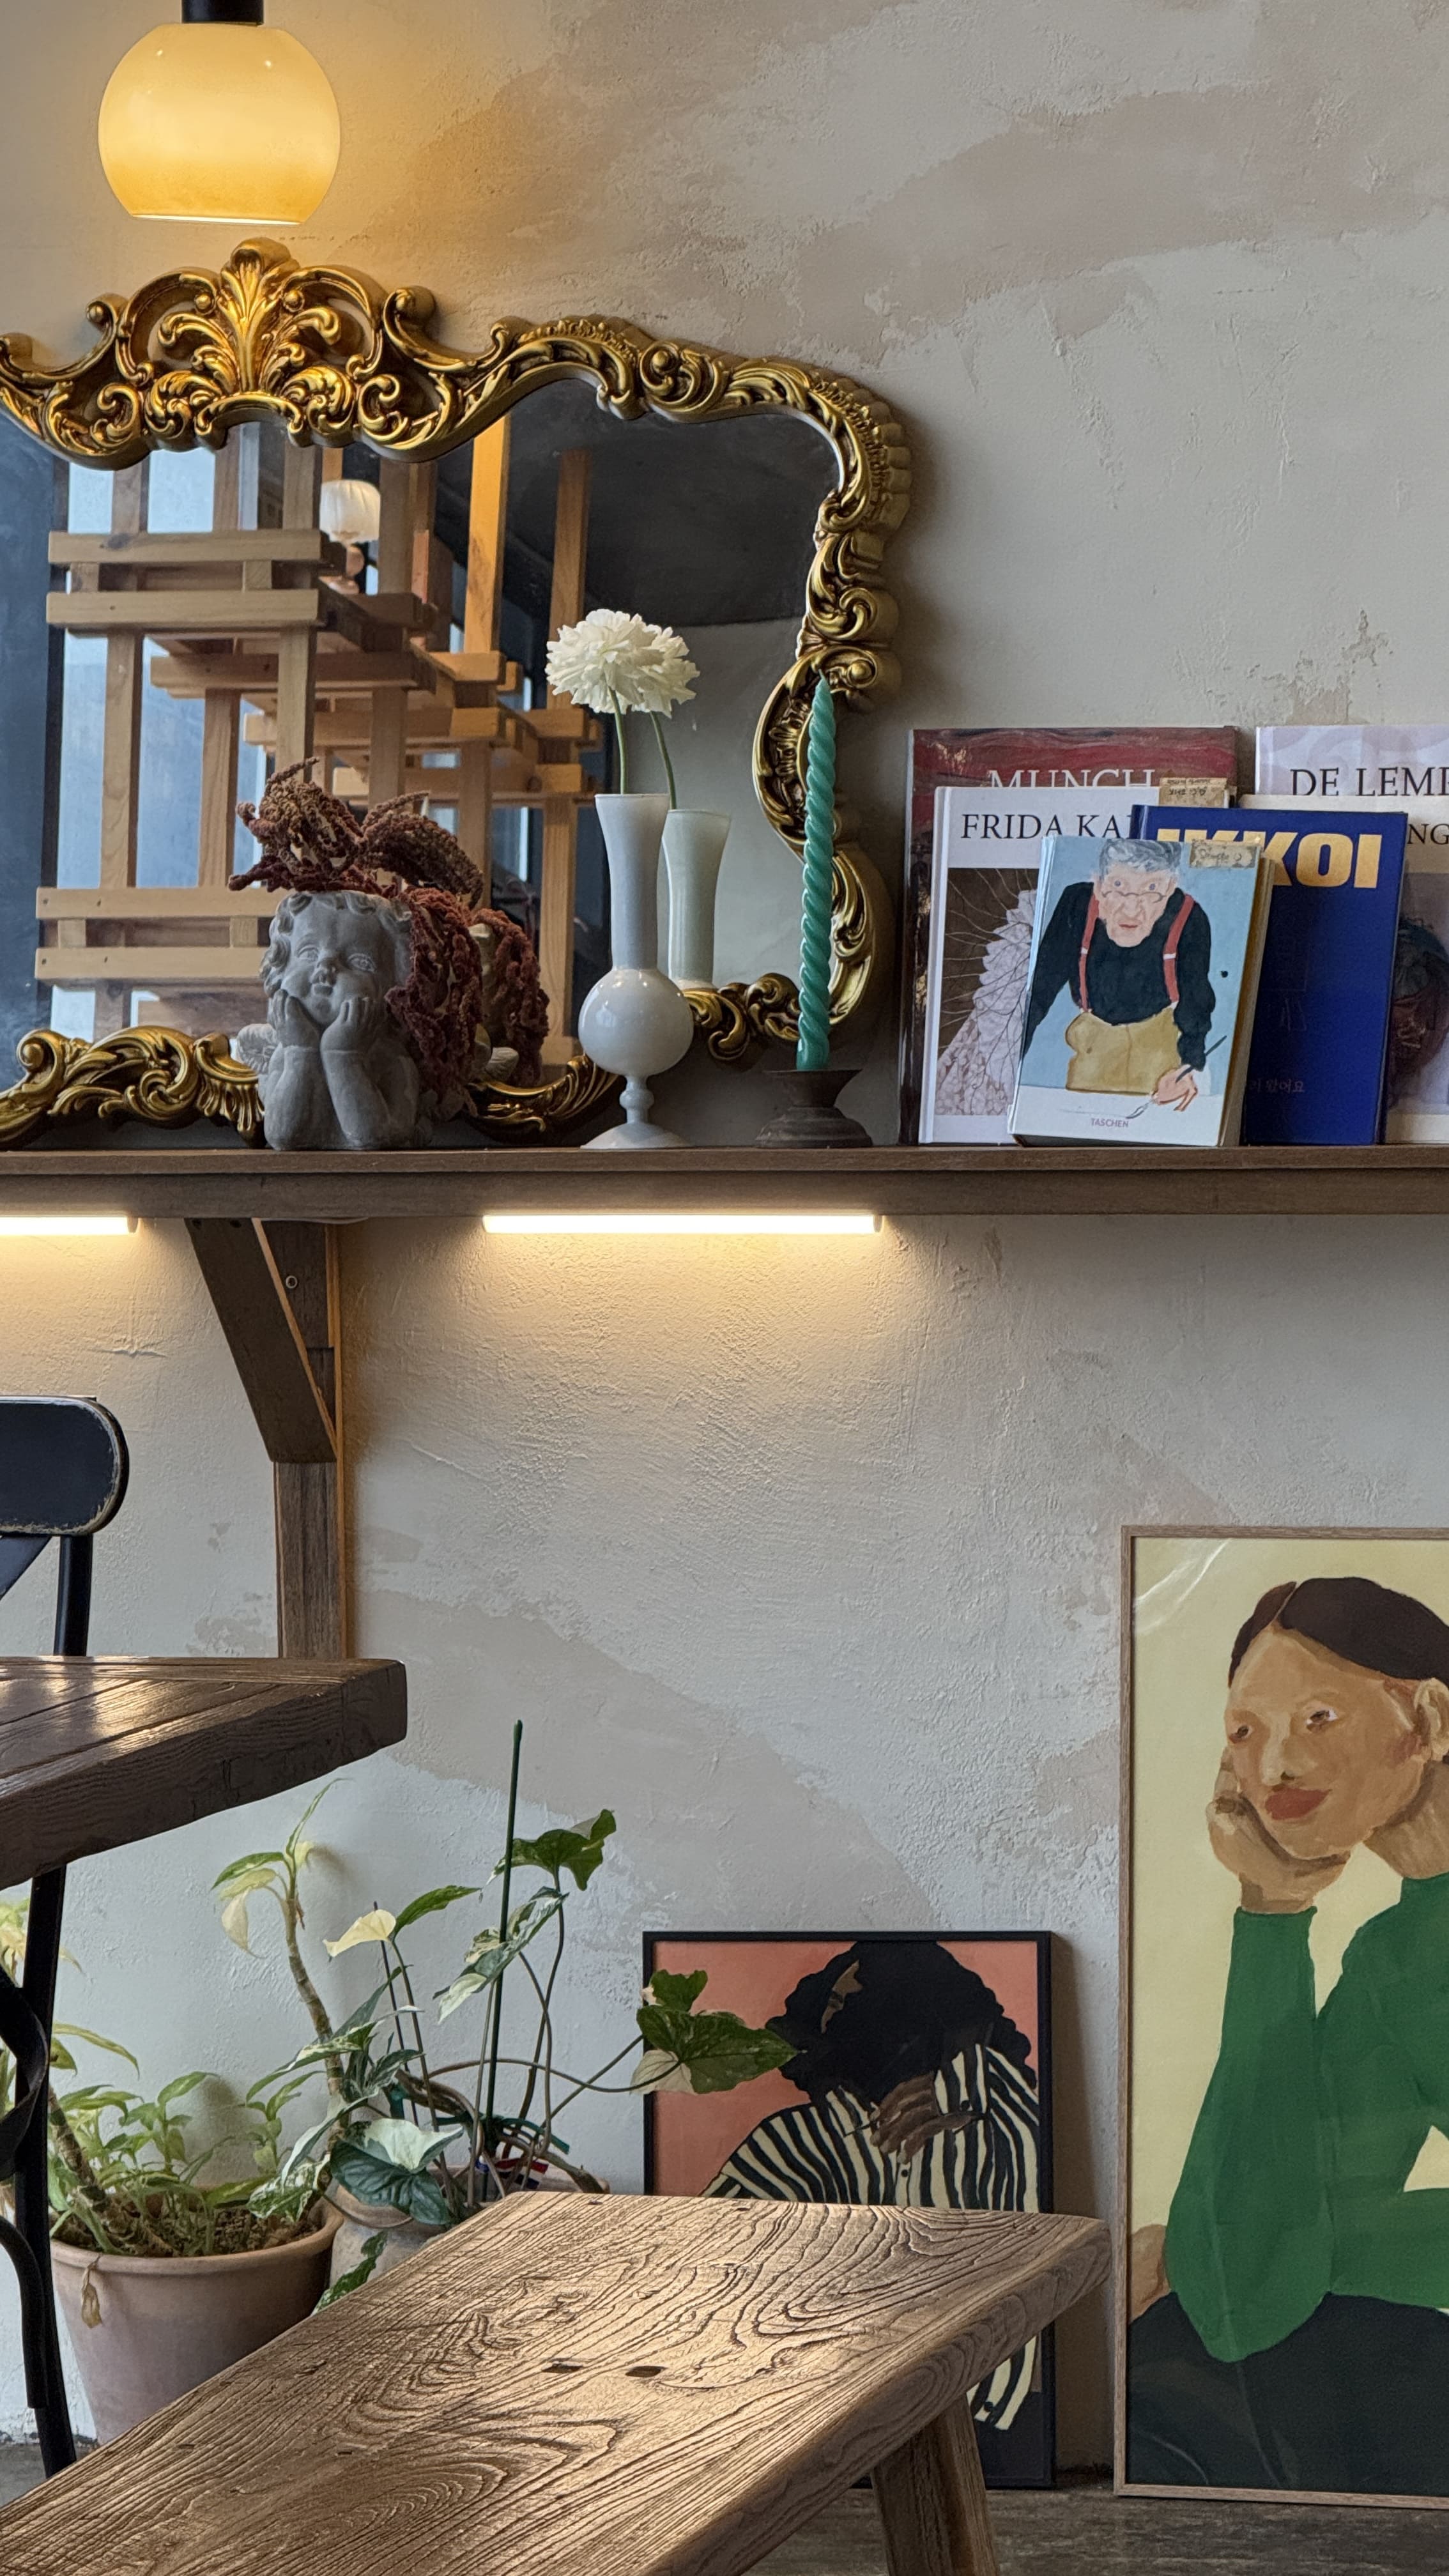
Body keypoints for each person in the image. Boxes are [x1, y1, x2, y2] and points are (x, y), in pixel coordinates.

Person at [1129, 1575, 1449, 2494]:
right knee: (1193, 2357)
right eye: (1244, 1731)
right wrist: (1271, 1915)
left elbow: (1254, 2264)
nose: (1273, 1766)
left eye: (1317, 1718)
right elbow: (1246, 2293)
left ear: (1428, 1720)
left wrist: (1197, 2251)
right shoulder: (1397, 1961)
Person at [705, 1940, 1041, 2435]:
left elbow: (1031, 2121)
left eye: (849, 1999)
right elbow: (709, 2262)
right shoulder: (800, 2139)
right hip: (829, 2416)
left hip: (991, 2412)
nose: (831, 2020)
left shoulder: (1002, 2118)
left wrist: (962, 2088)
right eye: (830, 2005)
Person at [1021, 839, 1212, 1103]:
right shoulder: (1077, 905)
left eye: (1151, 889)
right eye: (1119, 886)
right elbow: (1040, 988)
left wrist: (1189, 1067)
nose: (1131, 909)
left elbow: (1196, 1000)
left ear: (1170, 888)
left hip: (1161, 1051)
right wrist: (1012, 1059)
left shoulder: (1189, 917)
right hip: (1093, 1046)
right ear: (1099, 886)